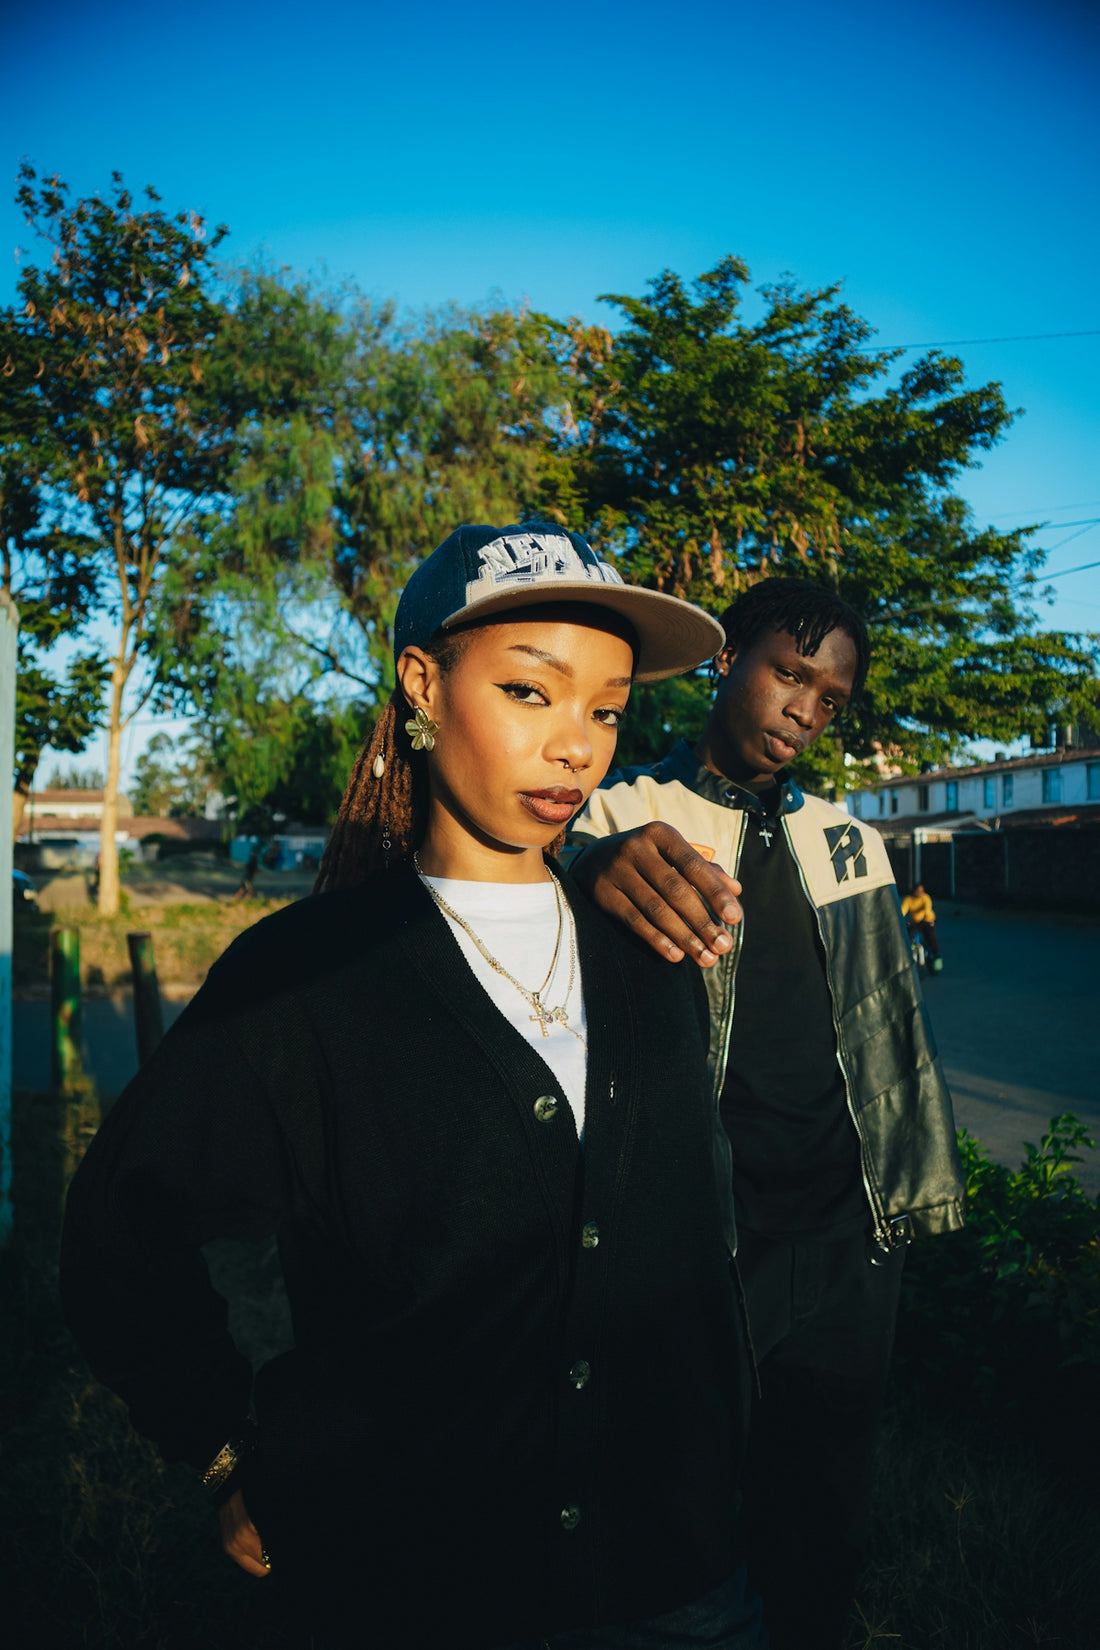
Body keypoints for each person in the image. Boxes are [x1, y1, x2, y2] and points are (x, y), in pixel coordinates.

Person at [60, 523, 765, 1650]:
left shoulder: (651, 946)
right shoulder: (304, 979)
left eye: (606, 710)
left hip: (679, 1574)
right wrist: (223, 1449)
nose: (575, 747)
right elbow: (118, 1233)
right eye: (529, 691)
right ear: (424, 686)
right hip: (415, 1583)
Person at [564, 577, 965, 1650]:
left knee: (821, 1502)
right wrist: (586, 871)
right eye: (788, 673)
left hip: (844, 1234)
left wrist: (903, 1198)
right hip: (700, 1233)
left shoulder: (850, 844)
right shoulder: (621, 817)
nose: (804, 708)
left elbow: (890, 1037)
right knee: (679, 1494)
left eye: (829, 698)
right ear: (724, 658)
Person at [902, 881, 942, 970]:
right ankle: (911, 948)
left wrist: (924, 915)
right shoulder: (909, 899)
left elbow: (927, 908)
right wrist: (899, 917)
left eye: (922, 891)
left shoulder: (926, 898)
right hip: (916, 922)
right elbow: (903, 910)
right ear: (914, 891)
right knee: (908, 931)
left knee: (931, 937)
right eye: (918, 891)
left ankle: (936, 955)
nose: (920, 893)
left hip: (928, 920)